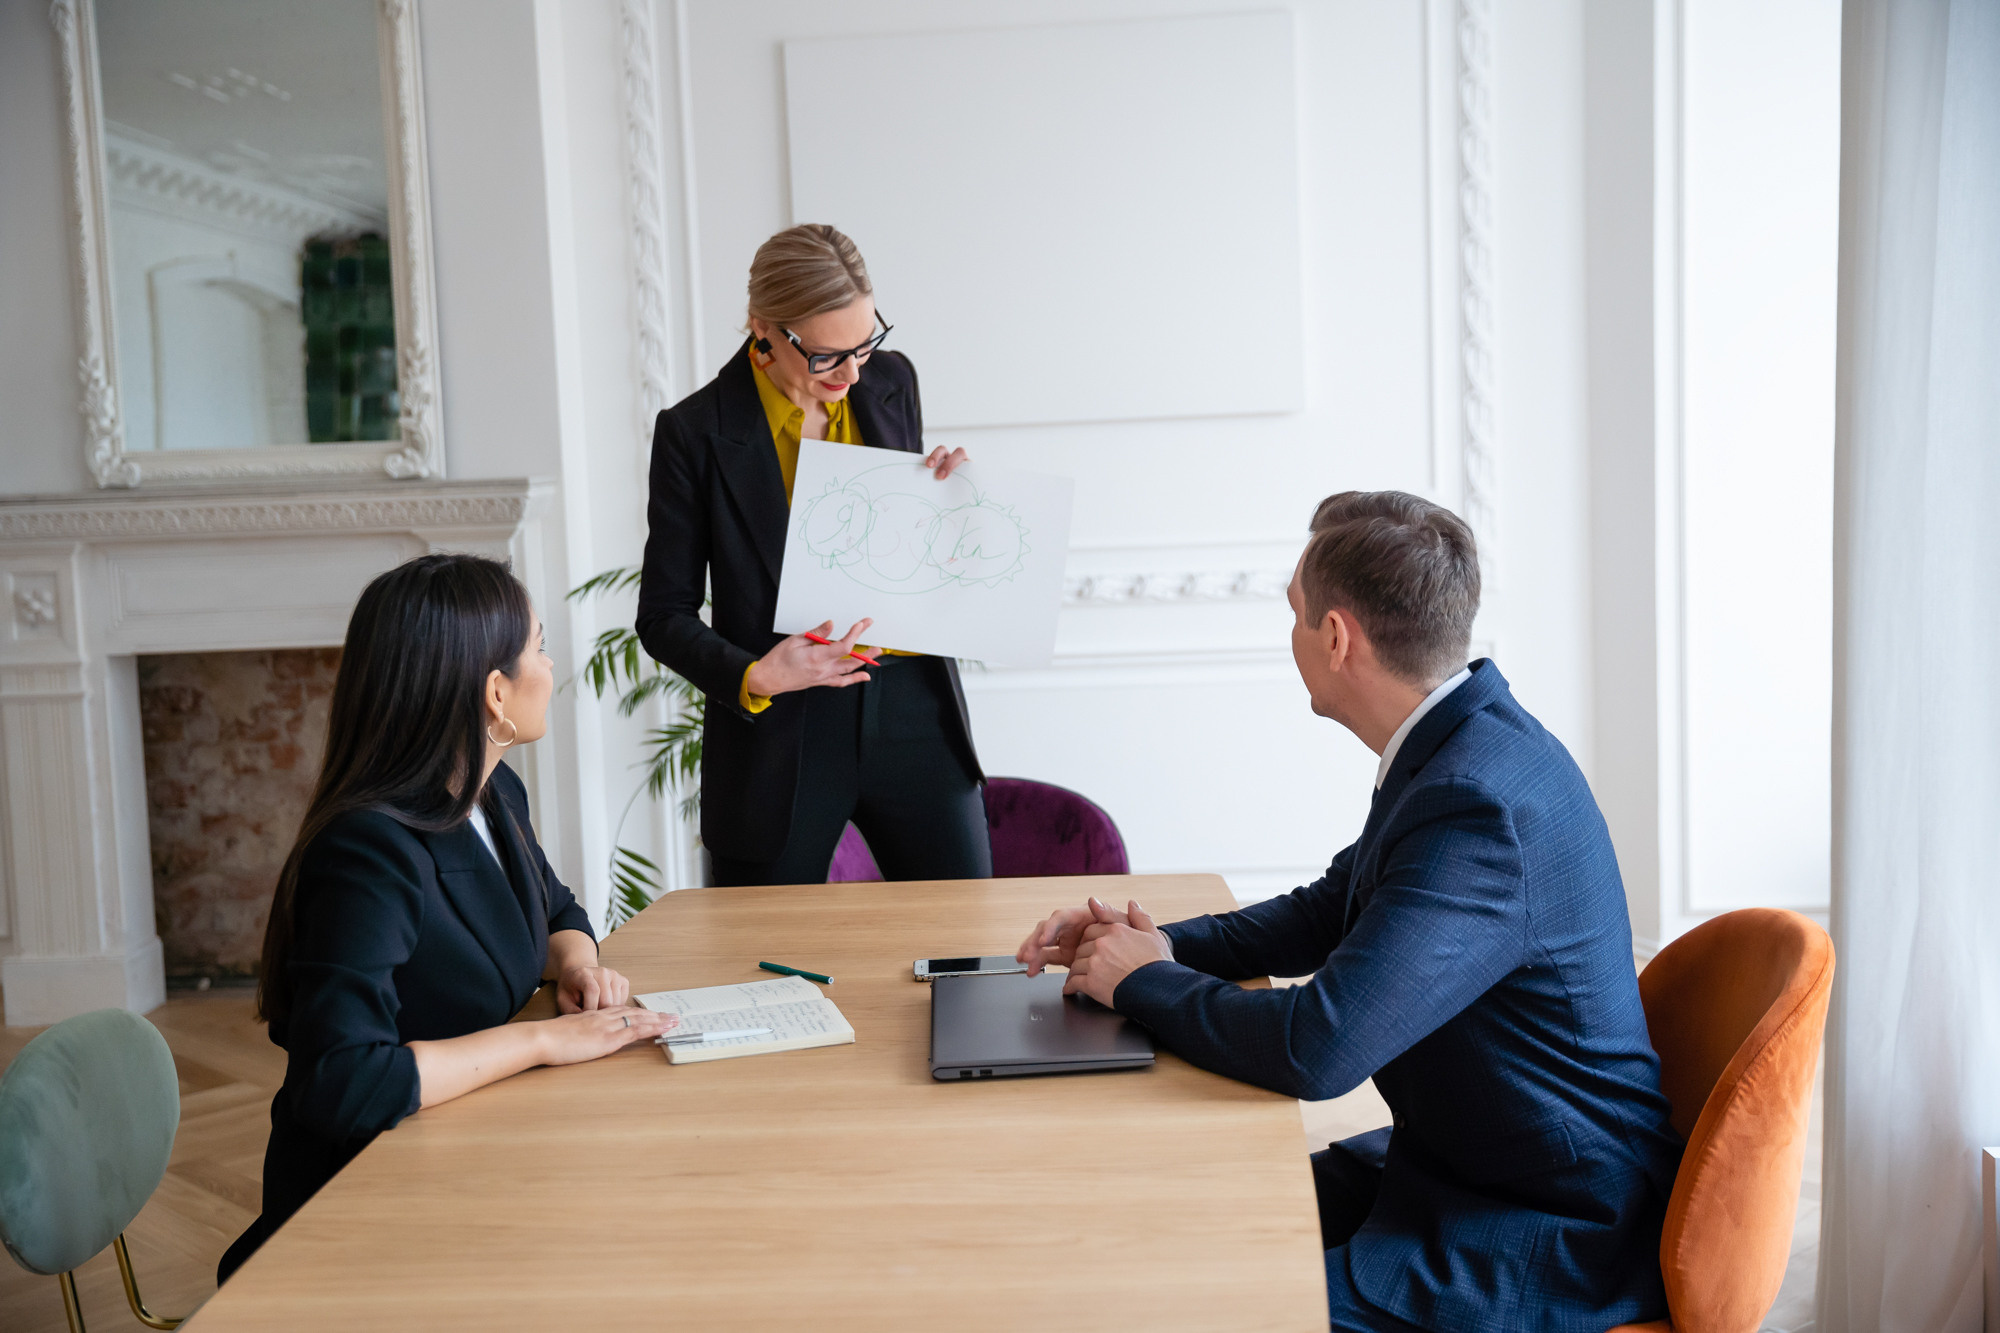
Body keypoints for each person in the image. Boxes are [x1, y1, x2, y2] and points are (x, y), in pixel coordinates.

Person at [1016, 492, 1682, 1332]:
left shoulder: (1478, 803)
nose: (1289, 635)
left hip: (1548, 1222)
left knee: (1198, 1304)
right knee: (1177, 1228)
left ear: (1335, 638)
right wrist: (1144, 947)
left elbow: (1318, 1046)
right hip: (1466, 1160)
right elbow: (1334, 906)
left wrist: (1143, 982)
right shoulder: (1461, 741)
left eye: (1293, 614)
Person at [218, 554, 676, 1283]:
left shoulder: (494, 797)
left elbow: (556, 908)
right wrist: (546, 1041)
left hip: (472, 1148)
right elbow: (343, 1081)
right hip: (366, 1210)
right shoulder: (367, 850)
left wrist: (581, 966)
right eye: (539, 646)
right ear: (497, 692)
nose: (551, 667)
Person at [636, 223, 989, 886]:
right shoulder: (693, 433)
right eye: (829, 356)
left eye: (866, 342)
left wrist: (946, 494)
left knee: (967, 945)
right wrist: (756, 676)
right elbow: (662, 614)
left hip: (914, 706)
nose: (854, 372)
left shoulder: (891, 381)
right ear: (762, 328)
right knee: (760, 963)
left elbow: (900, 548)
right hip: (781, 735)